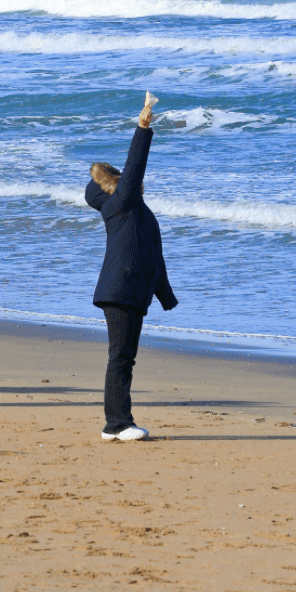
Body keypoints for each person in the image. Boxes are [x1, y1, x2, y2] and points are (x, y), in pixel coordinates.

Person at [85, 95, 177, 441]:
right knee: (121, 359)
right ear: (116, 185)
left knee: (124, 359)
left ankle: (116, 423)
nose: (133, 182)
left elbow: (153, 255)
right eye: (123, 180)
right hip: (120, 290)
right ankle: (117, 423)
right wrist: (142, 130)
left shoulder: (136, 212)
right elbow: (135, 166)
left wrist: (165, 296)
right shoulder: (121, 204)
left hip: (130, 293)